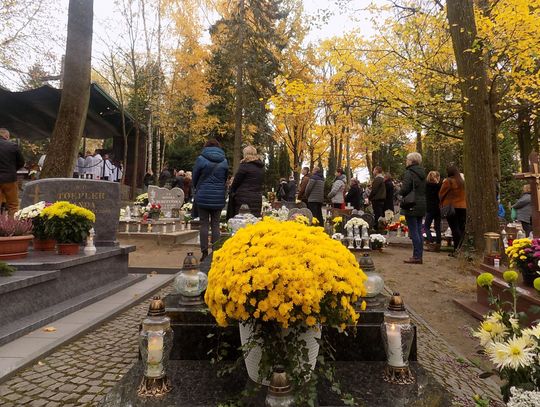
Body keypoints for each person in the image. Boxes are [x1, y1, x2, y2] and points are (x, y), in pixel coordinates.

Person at [192, 139, 229, 261]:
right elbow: (225, 179)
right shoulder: (224, 161)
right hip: (218, 196)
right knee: (215, 224)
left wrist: (198, 187)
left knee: (204, 224)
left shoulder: (201, 159)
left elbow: (195, 177)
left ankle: (204, 252)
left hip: (203, 195)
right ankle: (216, 251)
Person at [400, 152, 427, 264]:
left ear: (411, 161)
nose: (406, 161)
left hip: (411, 204)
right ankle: (419, 255)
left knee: (414, 231)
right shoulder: (423, 173)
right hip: (421, 204)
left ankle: (416, 256)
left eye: (407, 159)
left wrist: (400, 191)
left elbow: (405, 189)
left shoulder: (409, 172)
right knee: (419, 231)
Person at [439, 164, 466, 255]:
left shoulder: (448, 181)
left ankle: (456, 250)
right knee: (461, 229)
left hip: (452, 208)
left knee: (454, 229)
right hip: (463, 207)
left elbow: (441, 194)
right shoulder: (462, 182)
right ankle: (461, 249)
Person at [230, 146, 264, 217]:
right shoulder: (260, 167)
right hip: (257, 198)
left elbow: (236, 183)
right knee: (254, 219)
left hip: (243, 199)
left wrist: (232, 189)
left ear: (245, 154)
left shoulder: (244, 166)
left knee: (242, 220)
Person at [0, 128, 25, 216]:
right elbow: (21, 162)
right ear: (6, 136)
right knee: (13, 205)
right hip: (10, 179)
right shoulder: (13, 146)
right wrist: (12, 170)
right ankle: (12, 224)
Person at [424, 171, 442, 252]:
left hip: (430, 208)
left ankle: (430, 240)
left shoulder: (426, 186)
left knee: (426, 226)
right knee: (437, 227)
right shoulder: (439, 186)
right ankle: (438, 243)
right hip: (438, 208)